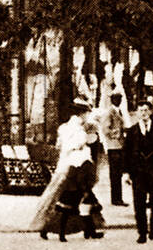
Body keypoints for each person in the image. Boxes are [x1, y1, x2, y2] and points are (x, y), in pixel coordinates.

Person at [34, 98, 104, 241]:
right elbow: (73, 145)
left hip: (70, 165)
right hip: (75, 167)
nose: (86, 116)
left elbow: (60, 145)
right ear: (81, 114)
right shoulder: (76, 129)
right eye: (86, 113)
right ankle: (51, 228)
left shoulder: (66, 127)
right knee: (72, 200)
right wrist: (85, 140)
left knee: (85, 199)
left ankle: (89, 230)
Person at [123, 101, 153, 244]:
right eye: (140, 110)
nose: (143, 113)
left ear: (150, 112)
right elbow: (126, 153)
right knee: (139, 203)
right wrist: (126, 172)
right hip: (138, 172)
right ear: (137, 112)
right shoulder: (132, 131)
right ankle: (142, 232)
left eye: (146, 110)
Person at [98, 93, 127, 206]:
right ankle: (116, 199)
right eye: (116, 99)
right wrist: (115, 134)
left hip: (118, 146)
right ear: (112, 100)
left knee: (118, 173)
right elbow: (105, 128)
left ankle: (118, 198)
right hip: (113, 146)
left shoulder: (118, 111)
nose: (118, 101)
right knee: (115, 173)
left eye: (119, 99)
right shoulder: (110, 112)